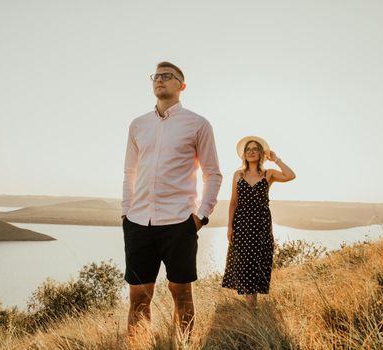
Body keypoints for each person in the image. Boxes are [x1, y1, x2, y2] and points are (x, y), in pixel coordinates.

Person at [121, 61, 222, 335]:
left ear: (182, 85)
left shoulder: (198, 124)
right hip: (138, 223)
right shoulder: (138, 125)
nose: (160, 80)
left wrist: (201, 217)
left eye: (168, 76)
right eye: (156, 76)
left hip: (180, 222)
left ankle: (184, 344)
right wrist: (126, 213)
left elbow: (212, 174)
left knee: (182, 294)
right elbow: (129, 172)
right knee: (139, 298)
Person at [221, 136, 295, 308]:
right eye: (248, 149)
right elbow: (233, 203)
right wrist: (229, 227)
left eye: (255, 149)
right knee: (244, 264)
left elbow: (290, 175)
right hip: (241, 224)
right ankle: (251, 309)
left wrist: (276, 159)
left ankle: (252, 308)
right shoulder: (238, 175)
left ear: (261, 153)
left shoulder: (268, 174)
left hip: (260, 225)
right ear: (244, 154)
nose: (251, 152)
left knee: (257, 263)